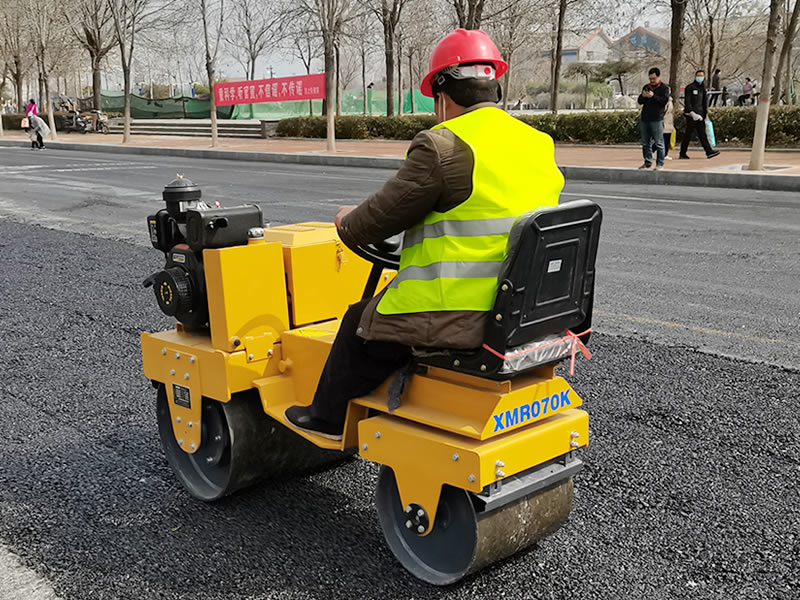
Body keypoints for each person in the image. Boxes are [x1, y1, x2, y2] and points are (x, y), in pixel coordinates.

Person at [284, 29, 565, 440]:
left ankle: (325, 418)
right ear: (495, 88)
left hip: (460, 313)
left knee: (358, 322)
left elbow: (374, 220)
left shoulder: (442, 146)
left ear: (442, 94)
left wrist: (347, 219)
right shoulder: (537, 143)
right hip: (521, 308)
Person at [679, 70, 720, 160]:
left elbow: (704, 102)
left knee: (701, 134)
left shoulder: (703, 88)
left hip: (700, 116)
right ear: (695, 76)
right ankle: (684, 152)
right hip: (691, 115)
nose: (700, 77)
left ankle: (708, 151)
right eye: (698, 75)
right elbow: (688, 102)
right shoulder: (690, 87)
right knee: (689, 134)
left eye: (702, 76)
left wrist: (704, 114)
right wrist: (691, 112)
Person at [637, 67, 670, 170]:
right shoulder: (646, 87)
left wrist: (653, 96)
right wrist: (643, 96)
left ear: (658, 77)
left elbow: (664, 101)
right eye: (650, 78)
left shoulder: (664, 88)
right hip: (645, 118)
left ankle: (660, 163)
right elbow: (640, 101)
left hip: (657, 118)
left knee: (659, 142)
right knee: (645, 143)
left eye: (654, 79)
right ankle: (647, 162)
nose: (652, 81)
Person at [653, 96, 675, 160]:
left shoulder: (670, 100)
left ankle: (665, 154)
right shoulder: (663, 100)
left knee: (667, 139)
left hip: (669, 121)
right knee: (661, 139)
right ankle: (652, 150)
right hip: (663, 121)